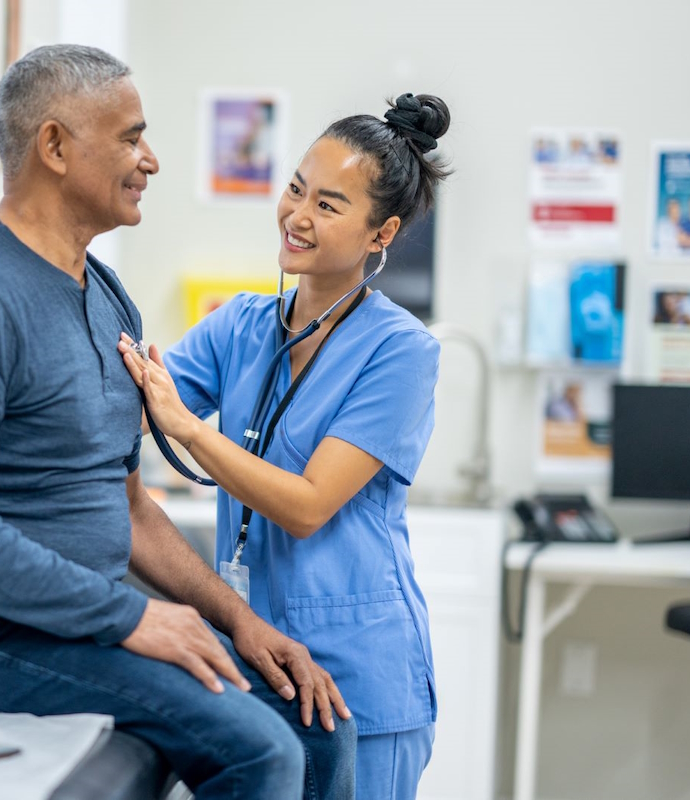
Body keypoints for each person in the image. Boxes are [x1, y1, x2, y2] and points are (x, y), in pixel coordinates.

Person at [0, 44, 355, 799]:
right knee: (263, 752)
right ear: (54, 146)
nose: (149, 160)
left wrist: (236, 620)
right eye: (130, 137)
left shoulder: (105, 294)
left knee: (318, 726)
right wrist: (131, 617)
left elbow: (128, 507)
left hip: (66, 618)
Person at [119, 93, 450, 800]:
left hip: (360, 679)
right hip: (258, 663)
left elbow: (306, 506)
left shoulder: (401, 352)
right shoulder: (239, 325)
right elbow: (136, 406)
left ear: (380, 234)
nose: (298, 216)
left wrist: (188, 428)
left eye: (329, 206)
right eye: (297, 189)